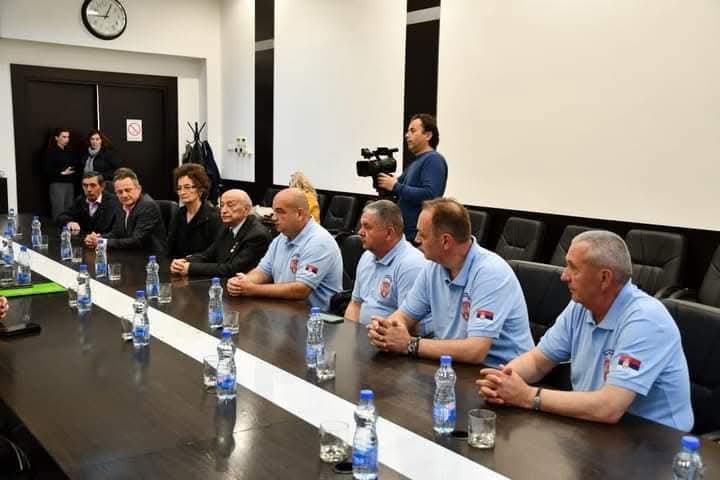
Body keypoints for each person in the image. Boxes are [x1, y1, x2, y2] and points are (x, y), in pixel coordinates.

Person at [476, 231, 693, 431]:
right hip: (597, 428)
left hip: (655, 443)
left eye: (573, 268)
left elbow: (609, 407)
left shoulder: (646, 320)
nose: (564, 276)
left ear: (604, 278)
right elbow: (537, 361)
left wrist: (527, 396)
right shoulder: (580, 306)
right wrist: (501, 382)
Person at [367, 198, 533, 366]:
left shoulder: (491, 273)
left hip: (501, 372)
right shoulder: (433, 268)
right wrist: (385, 331)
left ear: (445, 241)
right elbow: (404, 315)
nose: (416, 239)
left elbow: (476, 350)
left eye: (423, 235)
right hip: (453, 365)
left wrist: (410, 344)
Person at [226, 188, 342, 311]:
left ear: (299, 214)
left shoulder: (319, 242)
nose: (273, 218)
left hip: (316, 317)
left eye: (280, 212)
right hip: (284, 310)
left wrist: (252, 289)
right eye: (274, 211)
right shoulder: (281, 238)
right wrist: (242, 283)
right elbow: (263, 271)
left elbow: (301, 290)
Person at [345, 200, 429, 332]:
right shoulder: (367, 256)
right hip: (362, 334)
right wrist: (348, 333)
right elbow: (355, 304)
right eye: (361, 226)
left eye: (367, 227)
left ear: (389, 233)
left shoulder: (412, 264)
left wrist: (374, 336)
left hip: (387, 339)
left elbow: (409, 324)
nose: (360, 232)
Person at [376, 114, 448, 241]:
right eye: (407, 131)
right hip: (405, 234)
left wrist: (395, 186)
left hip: (417, 237)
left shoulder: (433, 160)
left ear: (428, 135)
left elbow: (431, 195)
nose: (407, 135)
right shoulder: (416, 162)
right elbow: (399, 187)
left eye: (412, 131)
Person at [170, 189, 271, 277]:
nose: (223, 210)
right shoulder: (226, 226)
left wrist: (190, 268)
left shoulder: (257, 235)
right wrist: (184, 261)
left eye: (230, 205)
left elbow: (232, 269)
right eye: (221, 205)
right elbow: (208, 254)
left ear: (246, 209)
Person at [85, 168, 167, 255]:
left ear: (139, 189)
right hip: (129, 254)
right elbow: (117, 233)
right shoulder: (120, 204)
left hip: (150, 257)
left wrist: (102, 242)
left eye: (128, 190)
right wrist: (97, 238)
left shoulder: (147, 206)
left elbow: (137, 241)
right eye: (119, 192)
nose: (124, 195)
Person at [166, 163, 222, 258]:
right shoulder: (179, 213)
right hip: (178, 264)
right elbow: (170, 248)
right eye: (179, 188)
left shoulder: (214, 216)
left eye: (187, 187)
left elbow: (215, 252)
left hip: (201, 265)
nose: (182, 192)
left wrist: (190, 262)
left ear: (200, 189)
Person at [56, 171, 121, 237]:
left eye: (93, 185)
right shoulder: (81, 200)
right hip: (83, 240)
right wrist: (69, 222)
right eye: (85, 185)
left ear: (102, 187)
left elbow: (118, 231)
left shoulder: (114, 202)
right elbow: (62, 217)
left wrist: (100, 238)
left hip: (105, 241)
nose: (89, 189)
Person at [42, 127, 77, 220]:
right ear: (56, 138)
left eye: (68, 137)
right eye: (64, 137)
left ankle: (68, 227)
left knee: (69, 209)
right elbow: (46, 169)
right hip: (57, 184)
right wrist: (61, 172)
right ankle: (58, 228)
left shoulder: (69, 151)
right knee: (59, 209)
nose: (66, 139)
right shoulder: (51, 152)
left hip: (70, 183)